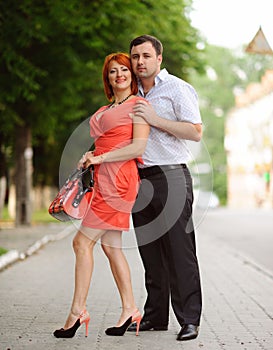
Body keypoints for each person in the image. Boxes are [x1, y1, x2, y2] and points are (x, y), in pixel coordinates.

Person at [53, 53, 150, 338]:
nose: (119, 74)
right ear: (107, 78)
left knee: (81, 242)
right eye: (112, 72)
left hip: (120, 180)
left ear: (132, 75)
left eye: (124, 69)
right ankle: (130, 309)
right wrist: (91, 156)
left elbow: (137, 148)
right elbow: (105, 142)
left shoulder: (139, 105)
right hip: (103, 179)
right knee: (111, 247)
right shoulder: (105, 109)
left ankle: (77, 312)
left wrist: (101, 156)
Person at [127, 35, 203, 341]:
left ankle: (189, 320)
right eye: (135, 57)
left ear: (159, 58)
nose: (140, 62)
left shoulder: (178, 88)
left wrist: (156, 120)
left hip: (171, 178)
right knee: (150, 253)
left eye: (146, 55)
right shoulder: (131, 93)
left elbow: (195, 132)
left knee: (179, 252)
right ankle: (156, 317)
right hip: (139, 180)